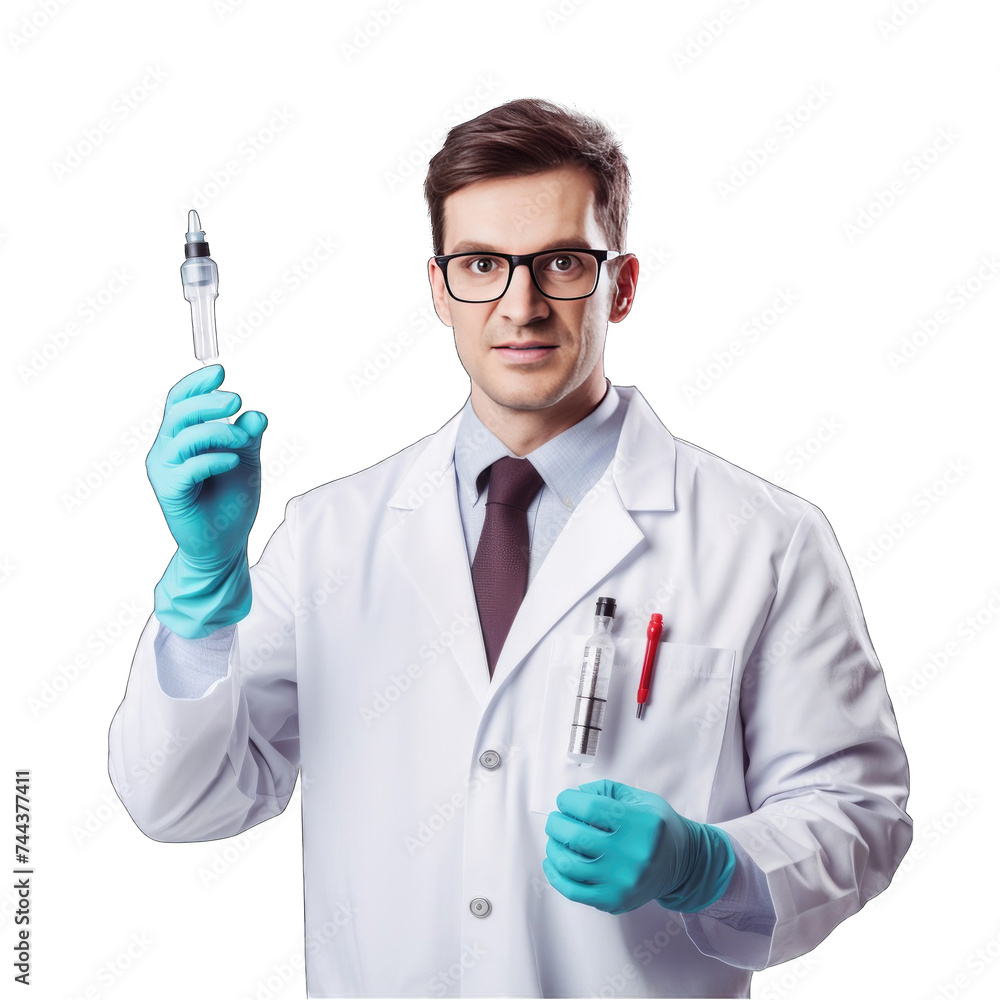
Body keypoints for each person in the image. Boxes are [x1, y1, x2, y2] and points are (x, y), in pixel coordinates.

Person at [109, 98, 912, 998]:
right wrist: (203, 587)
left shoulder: (763, 539)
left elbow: (860, 815)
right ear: (438, 288)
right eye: (483, 265)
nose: (520, 306)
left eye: (561, 263)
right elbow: (176, 800)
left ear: (623, 284)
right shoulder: (331, 537)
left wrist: (712, 864)